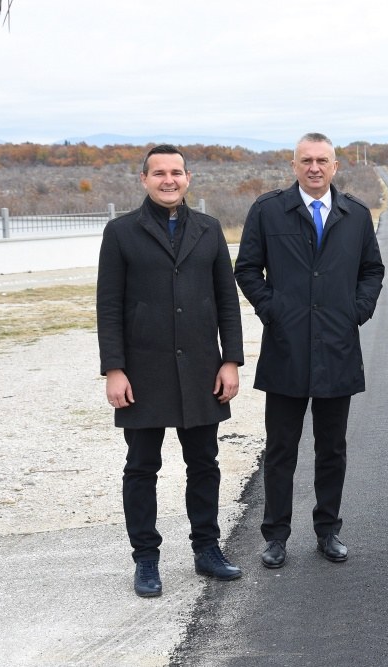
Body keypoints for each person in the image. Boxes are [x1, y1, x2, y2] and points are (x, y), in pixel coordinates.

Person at [97, 144, 246, 597]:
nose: (169, 180)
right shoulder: (121, 232)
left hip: (201, 368)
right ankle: (146, 559)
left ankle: (207, 549)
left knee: (204, 463)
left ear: (188, 178)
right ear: (144, 179)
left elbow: (226, 300)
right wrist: (114, 369)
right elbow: (109, 305)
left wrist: (230, 360)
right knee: (141, 467)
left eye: (176, 172)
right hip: (143, 372)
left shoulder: (209, 229)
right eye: (159, 173)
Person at [235, 132, 384, 569]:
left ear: (335, 166)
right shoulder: (268, 210)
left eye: (322, 161)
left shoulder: (355, 214)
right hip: (287, 349)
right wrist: (273, 310)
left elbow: (372, 270)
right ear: (294, 166)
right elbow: (247, 268)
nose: (314, 168)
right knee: (281, 449)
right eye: (306, 161)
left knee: (332, 448)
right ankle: (275, 536)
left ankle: (328, 531)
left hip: (338, 348)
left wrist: (356, 311)